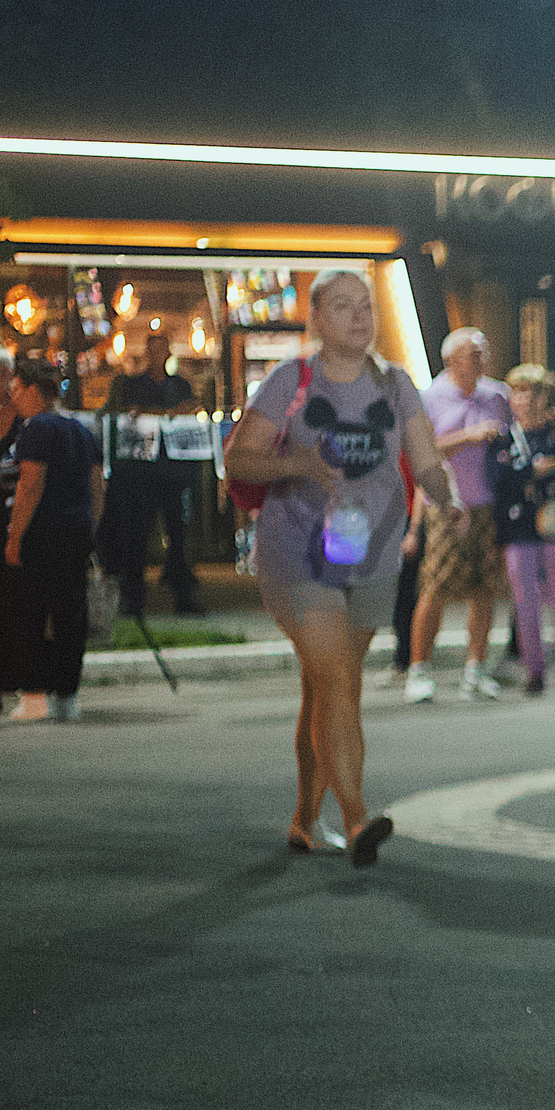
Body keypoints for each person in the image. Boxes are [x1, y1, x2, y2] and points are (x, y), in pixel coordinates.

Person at [221, 269, 451, 864]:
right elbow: (238, 456)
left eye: (366, 307)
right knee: (337, 682)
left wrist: (449, 501)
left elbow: (425, 460)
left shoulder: (396, 384)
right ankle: (355, 818)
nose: (358, 318)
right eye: (342, 307)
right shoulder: (290, 380)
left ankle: (303, 817)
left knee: (327, 686)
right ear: (317, 317)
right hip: (297, 552)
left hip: (370, 551)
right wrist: (297, 460)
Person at [405, 328, 513, 705]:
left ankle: (475, 668)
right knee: (435, 588)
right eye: (473, 353)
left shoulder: (498, 395)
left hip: (488, 505)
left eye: (483, 352)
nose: (481, 359)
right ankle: (418, 668)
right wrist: (469, 436)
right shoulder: (430, 397)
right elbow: (423, 450)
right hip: (445, 506)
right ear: (450, 359)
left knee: (485, 589)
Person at [1, 357, 104, 723]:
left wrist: (14, 539)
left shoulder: (36, 430)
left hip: (42, 535)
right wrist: (88, 530)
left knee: (30, 614)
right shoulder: (81, 430)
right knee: (69, 617)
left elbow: (30, 485)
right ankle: (67, 696)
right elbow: (97, 490)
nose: (13, 397)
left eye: (15, 389)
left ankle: (33, 697)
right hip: (75, 534)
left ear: (32, 390)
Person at [490, 365, 555, 697]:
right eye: (518, 392)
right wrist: (529, 474)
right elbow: (497, 480)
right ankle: (533, 669)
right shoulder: (505, 436)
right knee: (525, 600)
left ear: (546, 397)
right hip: (519, 525)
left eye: (532, 392)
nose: (524, 400)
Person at [100, 331, 204, 616]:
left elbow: (191, 410)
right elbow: (124, 414)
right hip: (142, 474)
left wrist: (167, 413)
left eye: (162, 351)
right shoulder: (133, 386)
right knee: (137, 536)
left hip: (173, 472)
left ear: (168, 353)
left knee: (178, 537)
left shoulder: (179, 386)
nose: (158, 356)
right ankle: (134, 600)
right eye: (154, 351)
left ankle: (182, 597)